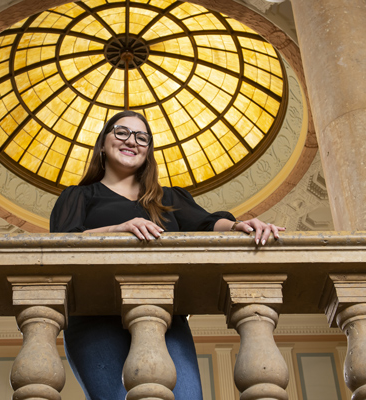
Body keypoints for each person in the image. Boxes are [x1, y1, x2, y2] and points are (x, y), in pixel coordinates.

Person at [50, 110, 285, 400]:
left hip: (165, 318)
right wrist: (120, 228)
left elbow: (207, 224)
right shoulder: (78, 196)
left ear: (148, 151)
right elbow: (63, 243)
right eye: (121, 132)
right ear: (103, 143)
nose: (132, 141)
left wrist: (240, 225)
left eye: (142, 138)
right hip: (94, 317)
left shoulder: (169, 198)